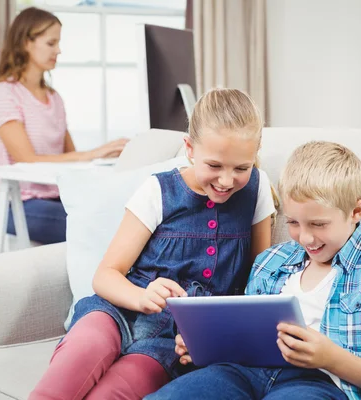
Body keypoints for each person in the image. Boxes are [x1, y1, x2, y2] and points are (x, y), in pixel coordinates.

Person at [28, 87, 277, 400]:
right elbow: (105, 275)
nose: (227, 180)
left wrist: (213, 338)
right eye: (214, 165)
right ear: (189, 148)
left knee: (112, 392)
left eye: (241, 167)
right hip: (115, 313)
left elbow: (259, 285)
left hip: (169, 344)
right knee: (75, 362)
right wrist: (142, 296)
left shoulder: (258, 189)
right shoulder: (159, 191)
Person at [147, 141, 361, 400]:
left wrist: (331, 358)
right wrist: (204, 347)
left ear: (355, 211)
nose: (305, 238)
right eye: (293, 222)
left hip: (320, 382)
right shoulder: (271, 261)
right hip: (243, 372)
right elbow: (242, 339)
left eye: (318, 224)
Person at [0, 7, 129, 244]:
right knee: (98, 223)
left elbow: (70, 155)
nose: (58, 50)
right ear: (26, 43)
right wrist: (93, 153)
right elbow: (27, 159)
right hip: (15, 204)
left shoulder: (54, 98)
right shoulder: (4, 95)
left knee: (120, 212)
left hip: (55, 197)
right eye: (51, 43)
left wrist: (102, 156)